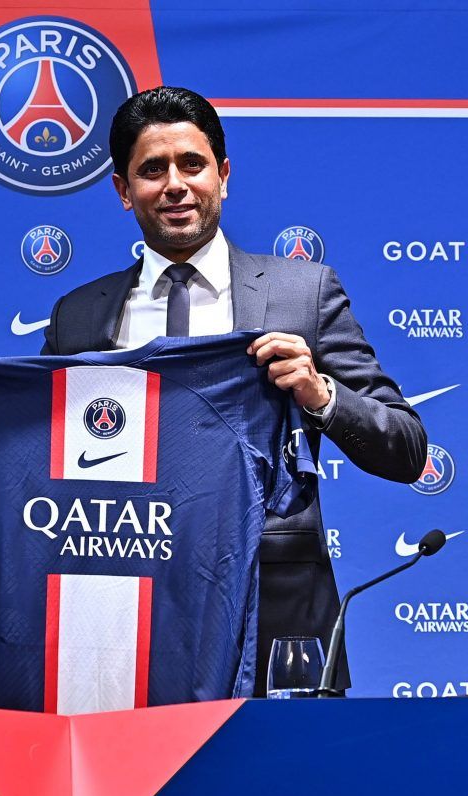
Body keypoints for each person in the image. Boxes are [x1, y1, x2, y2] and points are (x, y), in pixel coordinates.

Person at [41, 86, 427, 695]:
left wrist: (320, 393)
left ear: (223, 175)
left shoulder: (302, 294)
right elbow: (40, 467)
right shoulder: (80, 315)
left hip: (274, 613)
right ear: (123, 190)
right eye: (152, 170)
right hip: (121, 611)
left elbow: (406, 449)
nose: (175, 185)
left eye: (192, 164)